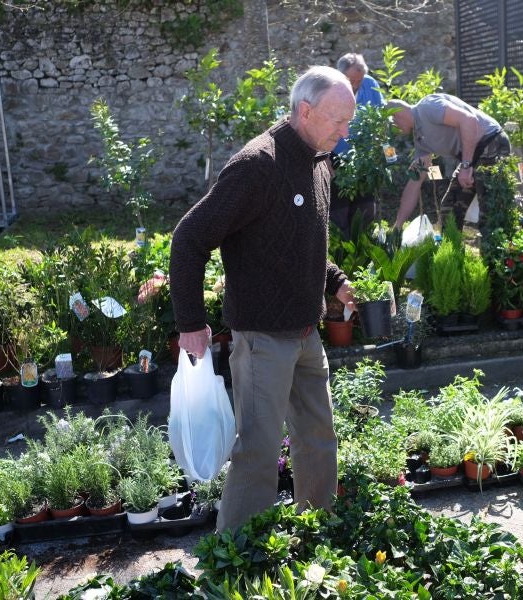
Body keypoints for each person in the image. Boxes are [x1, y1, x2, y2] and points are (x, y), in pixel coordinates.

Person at [169, 65, 358, 533]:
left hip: (305, 335)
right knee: (257, 450)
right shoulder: (258, 164)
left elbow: (302, 239)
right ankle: (235, 556)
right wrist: (191, 322)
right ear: (305, 110)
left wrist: (333, 280)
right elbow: (188, 238)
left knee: (318, 440)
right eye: (338, 119)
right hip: (262, 340)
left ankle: (316, 533)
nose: (345, 130)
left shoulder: (319, 161)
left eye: (348, 120)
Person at [388, 93, 511, 232]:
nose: (394, 128)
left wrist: (466, 165)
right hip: (472, 156)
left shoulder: (427, 107)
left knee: (490, 213)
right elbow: (414, 184)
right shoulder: (421, 140)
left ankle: (499, 251)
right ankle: (452, 252)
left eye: (393, 122)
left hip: (490, 142)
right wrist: (397, 226)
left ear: (397, 114)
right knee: (449, 211)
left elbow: (469, 120)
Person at [329, 53, 385, 238]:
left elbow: (381, 119)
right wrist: (324, 158)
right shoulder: (329, 89)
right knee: (339, 209)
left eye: (359, 79)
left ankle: (362, 247)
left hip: (363, 159)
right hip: (335, 156)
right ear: (341, 75)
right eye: (352, 80)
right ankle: (341, 252)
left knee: (366, 208)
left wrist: (383, 150)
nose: (356, 84)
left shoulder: (370, 84)